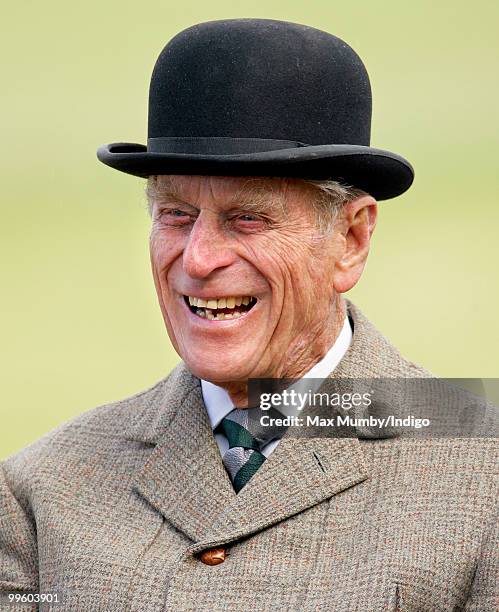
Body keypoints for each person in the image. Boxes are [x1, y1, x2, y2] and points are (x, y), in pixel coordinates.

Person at [1, 19, 497, 612]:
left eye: (249, 219)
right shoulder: (38, 490)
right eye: (177, 215)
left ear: (351, 239)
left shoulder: (483, 479)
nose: (199, 258)